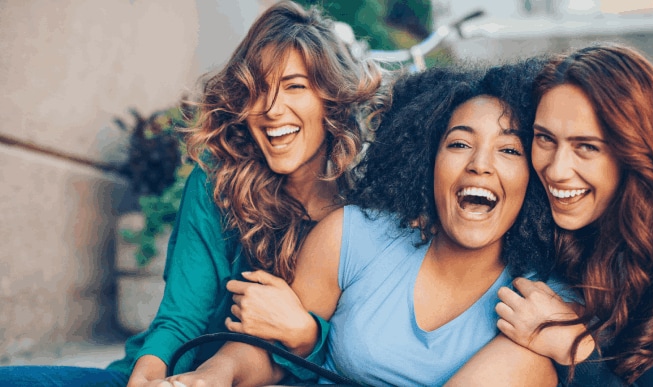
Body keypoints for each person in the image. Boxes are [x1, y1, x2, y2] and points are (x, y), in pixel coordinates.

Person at [0, 1, 386, 386]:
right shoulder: (218, 184)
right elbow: (180, 317)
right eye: (257, 90)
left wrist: (307, 335)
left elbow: (366, 353)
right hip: (178, 372)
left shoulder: (367, 216)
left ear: (332, 99)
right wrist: (148, 375)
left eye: (294, 86)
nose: (271, 109)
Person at [168, 60, 573, 386]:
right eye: (459, 144)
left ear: (536, 176)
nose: (480, 165)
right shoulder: (354, 235)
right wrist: (210, 377)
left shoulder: (542, 302)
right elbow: (267, 351)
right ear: (426, 162)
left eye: (509, 149)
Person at [494, 43, 653, 386]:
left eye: (586, 146)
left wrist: (575, 351)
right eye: (545, 138)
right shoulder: (549, 225)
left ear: (636, 150)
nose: (556, 169)